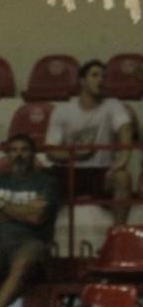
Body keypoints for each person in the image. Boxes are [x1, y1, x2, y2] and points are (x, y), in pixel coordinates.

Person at [0, 133, 58, 307]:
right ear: (7, 156)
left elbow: (36, 217)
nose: (18, 155)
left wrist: (2, 206)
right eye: (13, 150)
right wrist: (24, 210)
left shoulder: (47, 182)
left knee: (23, 262)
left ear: (33, 155)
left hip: (30, 241)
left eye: (24, 150)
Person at [45, 59, 133, 224]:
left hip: (100, 171)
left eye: (103, 76)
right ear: (82, 81)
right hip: (69, 170)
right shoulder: (62, 110)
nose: (100, 79)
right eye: (95, 75)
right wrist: (75, 154)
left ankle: (118, 234)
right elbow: (51, 151)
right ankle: (41, 239)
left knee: (123, 178)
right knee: (41, 180)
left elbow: (125, 130)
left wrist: (121, 161)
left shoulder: (113, 105)